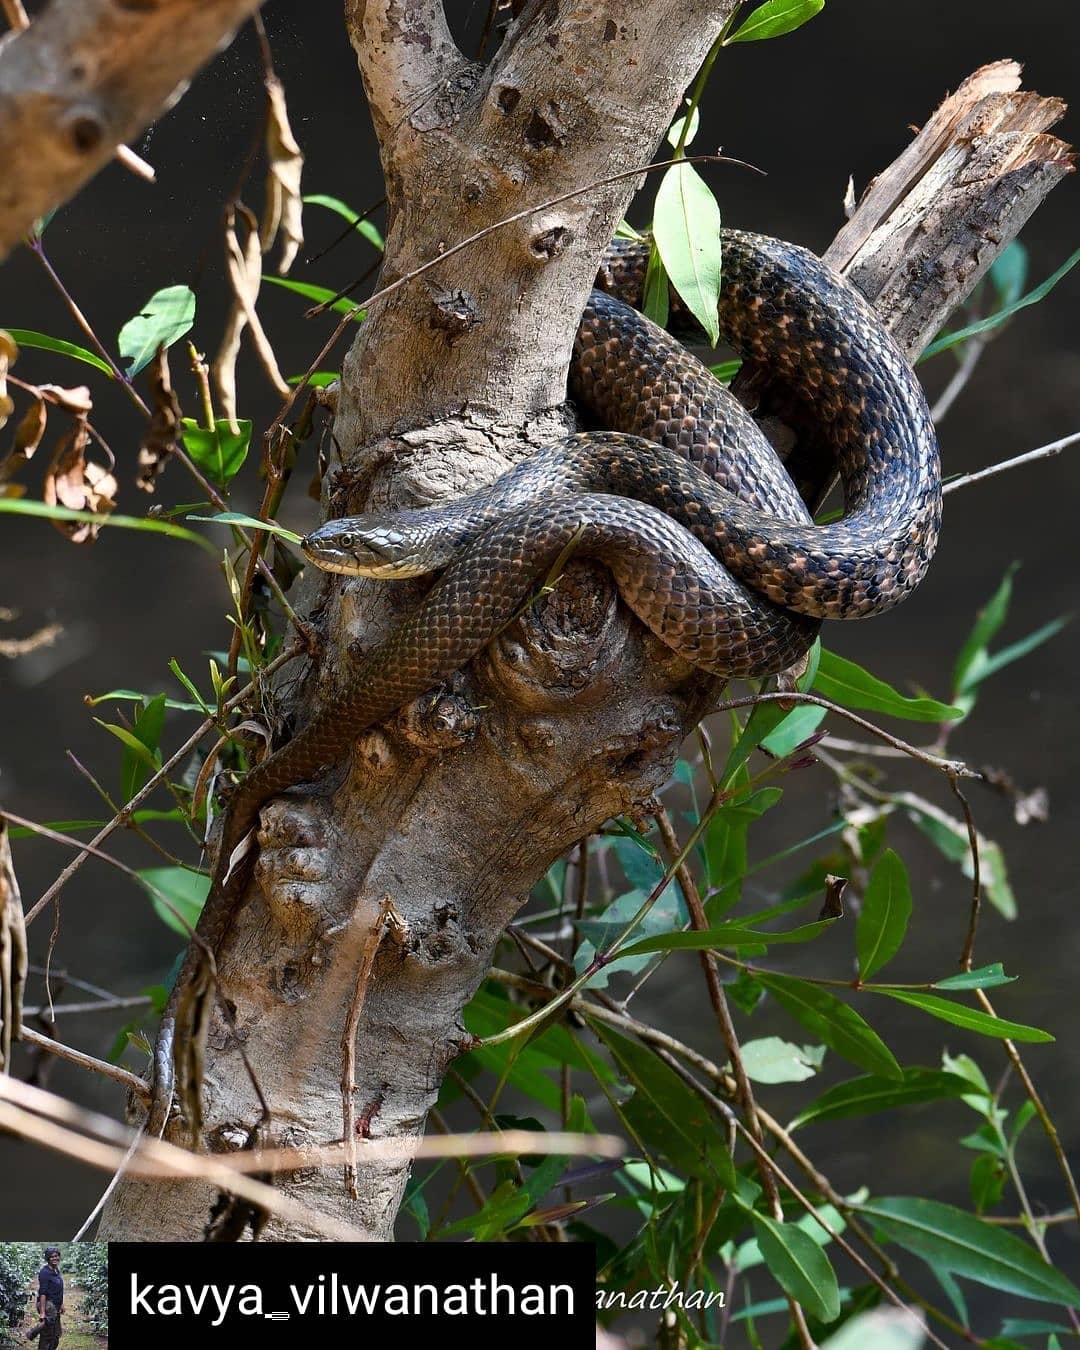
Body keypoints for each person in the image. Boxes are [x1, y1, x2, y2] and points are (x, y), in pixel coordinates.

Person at [26, 1248, 63, 1350]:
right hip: (47, 1304)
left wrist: (62, 1304)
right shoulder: (44, 1272)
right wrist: (42, 1312)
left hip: (56, 1305)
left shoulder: (56, 1270)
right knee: (47, 1335)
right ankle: (34, 1331)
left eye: (56, 1256)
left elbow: (59, 1289)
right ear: (48, 1258)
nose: (55, 1258)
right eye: (52, 1256)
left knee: (56, 1335)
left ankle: (33, 1332)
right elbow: (43, 1292)